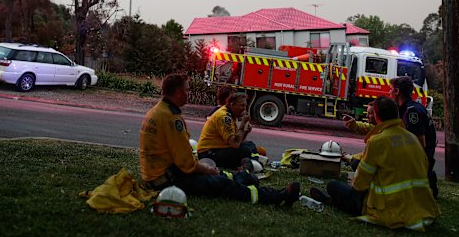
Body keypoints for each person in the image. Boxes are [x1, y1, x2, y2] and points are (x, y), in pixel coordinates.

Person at [140, 74, 299, 206]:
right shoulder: (172, 119)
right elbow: (187, 165)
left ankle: (245, 177)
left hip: (160, 175)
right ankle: (277, 197)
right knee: (222, 183)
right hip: (168, 180)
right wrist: (207, 169)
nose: (189, 94)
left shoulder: (157, 112)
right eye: (187, 90)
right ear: (178, 92)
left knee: (223, 173)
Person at [310, 96, 440, 231]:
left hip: (388, 210)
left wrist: (354, 178)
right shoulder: (412, 138)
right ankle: (334, 200)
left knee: (333, 186)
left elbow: (359, 185)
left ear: (377, 116)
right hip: (421, 209)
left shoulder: (377, 141)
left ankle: (334, 201)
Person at [389, 76, 439, 198]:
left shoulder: (411, 112)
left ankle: (427, 182)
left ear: (397, 91)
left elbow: (419, 144)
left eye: (391, 89)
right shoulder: (410, 107)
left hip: (418, 162)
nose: (389, 92)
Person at [197, 93, 257, 170]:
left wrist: (246, 131)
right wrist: (243, 125)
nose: (244, 109)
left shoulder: (232, 114)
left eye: (245, 106)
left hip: (219, 148)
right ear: (232, 104)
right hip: (208, 154)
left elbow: (239, 142)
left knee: (249, 144)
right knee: (245, 151)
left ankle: (246, 165)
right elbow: (235, 144)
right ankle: (242, 169)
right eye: (242, 105)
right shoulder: (224, 117)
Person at [341, 101, 379, 170]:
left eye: (370, 113)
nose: (366, 116)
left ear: (377, 115)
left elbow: (367, 155)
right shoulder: (380, 127)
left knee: (356, 163)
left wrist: (351, 158)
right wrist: (354, 124)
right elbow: (366, 127)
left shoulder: (381, 135)